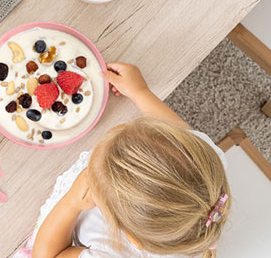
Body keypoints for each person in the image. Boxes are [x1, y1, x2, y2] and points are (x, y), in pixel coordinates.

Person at [19, 63, 230, 258]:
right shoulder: (203, 159)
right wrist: (140, 92)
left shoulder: (110, 252)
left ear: (130, 237)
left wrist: (71, 204)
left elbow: (47, 255)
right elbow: (175, 130)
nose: (119, 128)